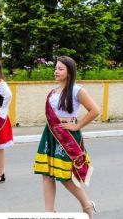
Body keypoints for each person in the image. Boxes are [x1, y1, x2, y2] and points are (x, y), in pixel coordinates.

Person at [33, 56, 100, 219]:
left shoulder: (77, 90)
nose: (56, 71)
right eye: (55, 68)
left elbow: (95, 110)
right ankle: (49, 213)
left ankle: (87, 206)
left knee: (65, 176)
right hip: (50, 135)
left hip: (67, 136)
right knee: (47, 173)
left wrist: (77, 126)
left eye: (60, 69)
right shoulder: (53, 92)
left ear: (69, 72)